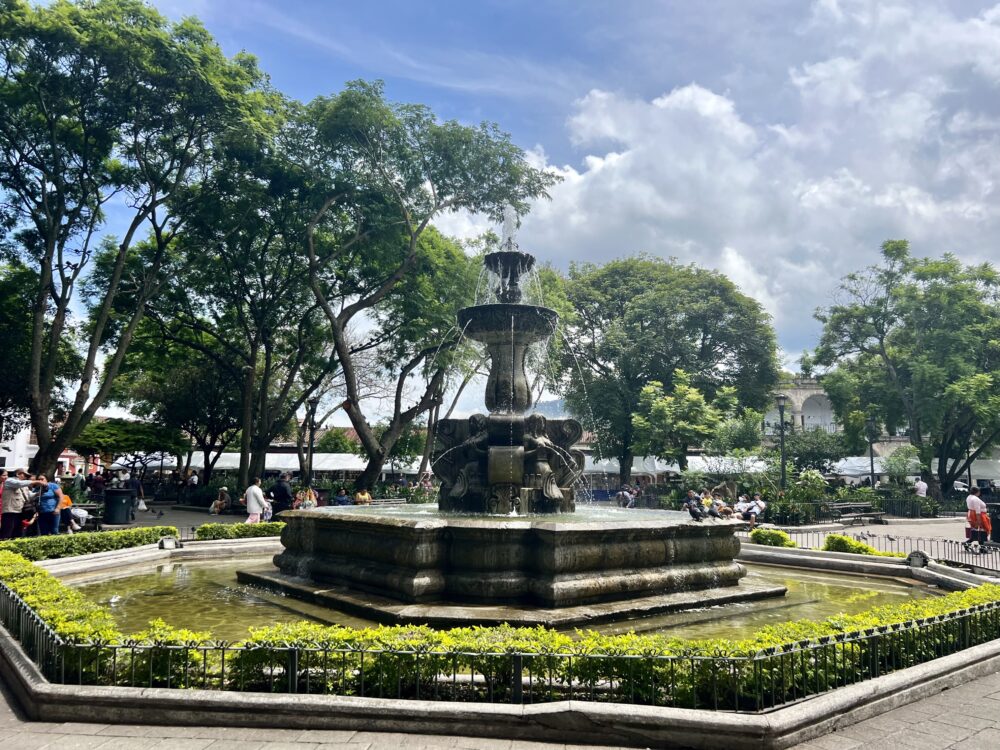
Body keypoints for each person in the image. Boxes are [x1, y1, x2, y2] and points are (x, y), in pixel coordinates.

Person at [1, 469, 46, 540]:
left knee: (17, 534)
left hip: (20, 512)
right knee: (7, 534)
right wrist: (37, 481)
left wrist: (40, 492)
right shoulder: (9, 481)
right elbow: (18, 484)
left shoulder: (24, 486)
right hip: (9, 511)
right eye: (25, 475)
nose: (26, 477)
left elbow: (29, 496)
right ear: (17, 474)